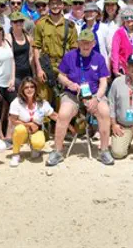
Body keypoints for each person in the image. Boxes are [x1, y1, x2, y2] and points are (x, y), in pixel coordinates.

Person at [47, 30, 113, 167]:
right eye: (82, 42)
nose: (85, 45)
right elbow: (60, 75)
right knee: (63, 114)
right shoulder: (69, 56)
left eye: (88, 43)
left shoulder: (99, 58)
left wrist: (97, 98)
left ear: (93, 43)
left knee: (105, 112)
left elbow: (103, 82)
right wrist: (69, 83)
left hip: (94, 94)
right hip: (73, 94)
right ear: (78, 43)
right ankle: (57, 151)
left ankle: (104, 150)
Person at [33, 0, 77, 103]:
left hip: (63, 66)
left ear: (62, 5)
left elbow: (74, 49)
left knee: (62, 100)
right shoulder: (41, 24)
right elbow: (36, 48)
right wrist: (39, 69)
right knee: (43, 100)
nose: (55, 6)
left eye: (58, 3)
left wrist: (69, 69)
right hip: (46, 65)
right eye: (52, 4)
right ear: (48, 6)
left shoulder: (70, 25)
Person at [8, 77, 58, 167]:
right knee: (20, 130)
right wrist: (28, 124)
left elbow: (54, 115)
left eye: (32, 87)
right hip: (22, 130)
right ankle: (15, 154)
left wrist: (69, 126)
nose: (29, 89)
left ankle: (35, 148)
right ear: (22, 89)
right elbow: (13, 120)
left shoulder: (42, 103)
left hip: (36, 130)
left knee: (39, 144)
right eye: (26, 87)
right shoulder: (16, 102)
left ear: (36, 88)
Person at [111, 6, 133, 76]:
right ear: (122, 19)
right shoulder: (119, 33)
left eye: (132, 17)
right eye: (126, 17)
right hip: (123, 68)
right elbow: (114, 52)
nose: (129, 19)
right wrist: (115, 69)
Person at [7, 11, 34, 86]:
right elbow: (10, 59)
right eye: (15, 21)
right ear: (11, 23)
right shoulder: (8, 38)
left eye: (21, 21)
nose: (18, 23)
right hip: (15, 75)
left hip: (28, 74)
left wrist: (34, 74)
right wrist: (12, 78)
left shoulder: (28, 38)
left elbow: (31, 57)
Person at [83, 2, 112, 69]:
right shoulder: (80, 29)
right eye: (86, 11)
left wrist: (108, 67)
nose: (88, 14)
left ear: (96, 13)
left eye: (91, 11)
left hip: (101, 65)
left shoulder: (104, 28)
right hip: (85, 66)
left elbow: (109, 50)